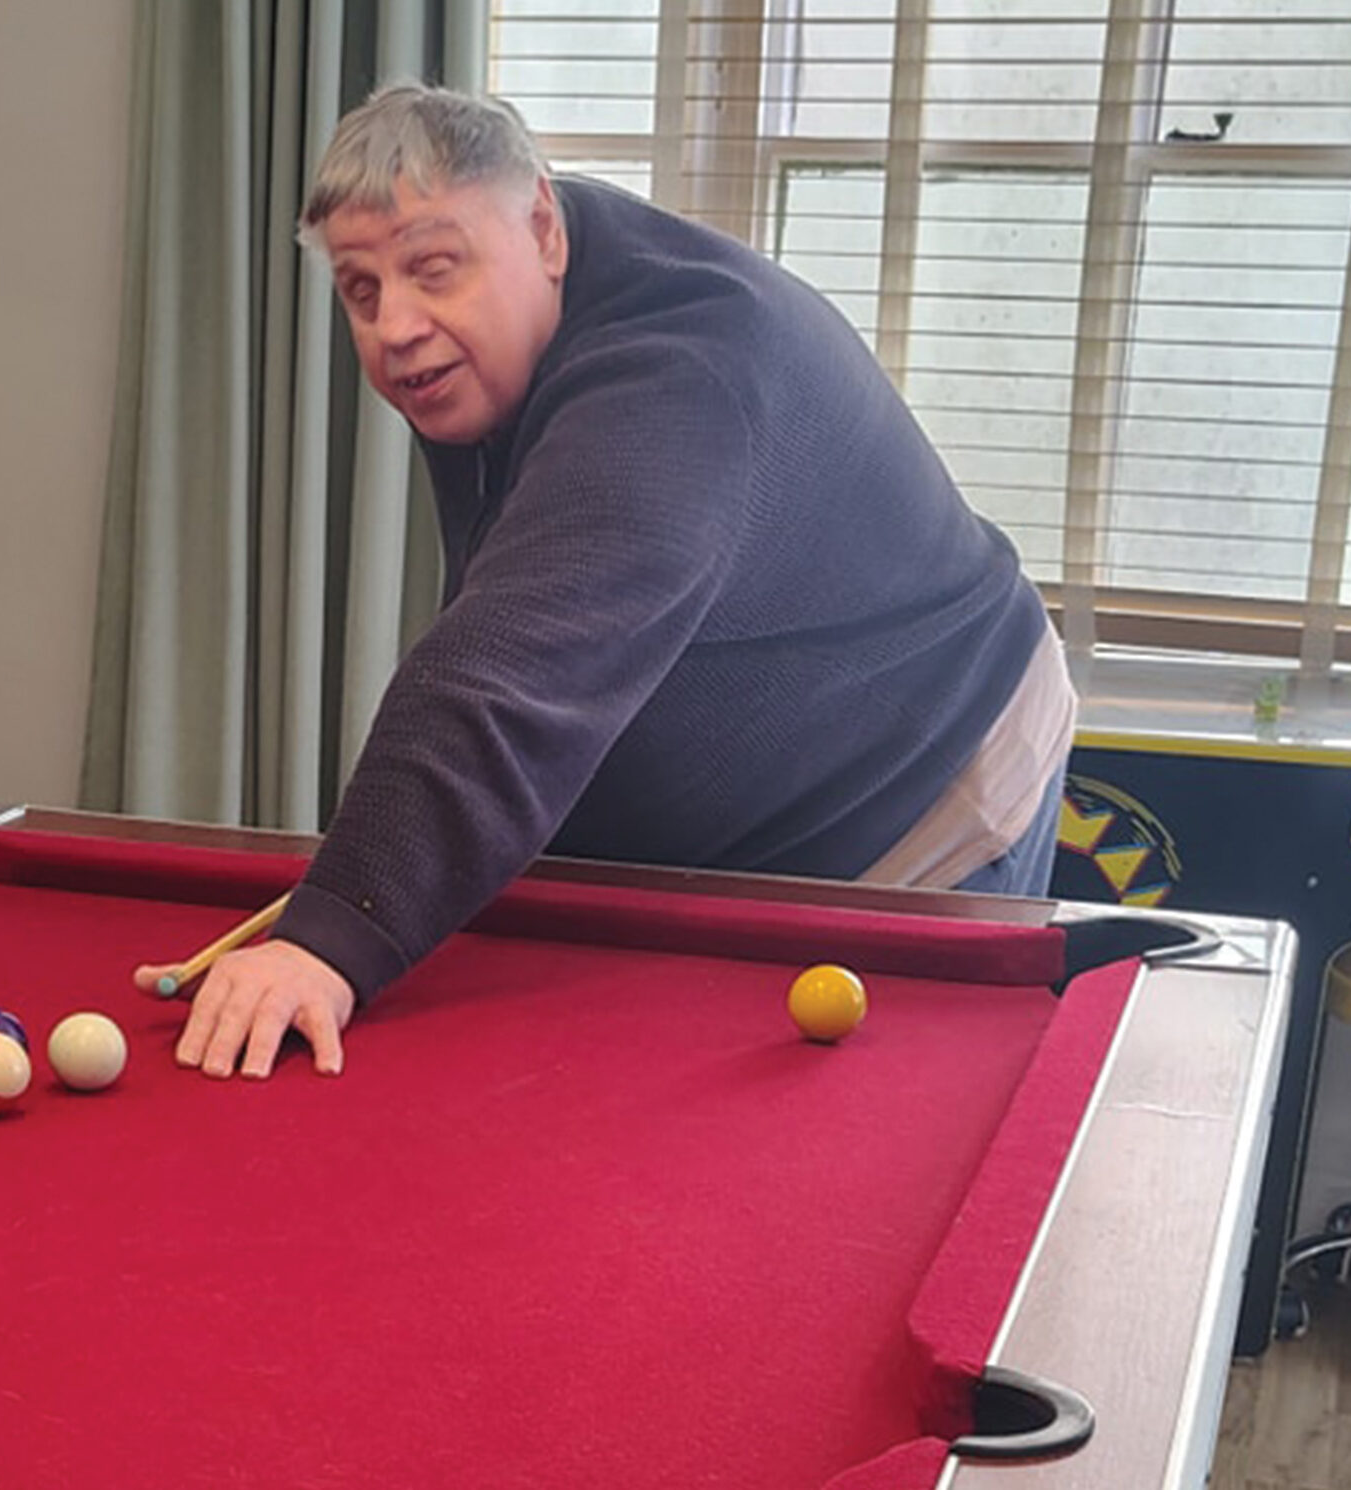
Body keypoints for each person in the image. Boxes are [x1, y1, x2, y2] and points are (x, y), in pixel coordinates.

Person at [135, 83, 1076, 1081]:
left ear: (543, 227)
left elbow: (509, 666)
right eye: (360, 291)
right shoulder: (499, 335)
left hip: (923, 786)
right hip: (754, 817)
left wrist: (334, 933)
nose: (394, 325)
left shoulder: (675, 374)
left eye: (433, 269)